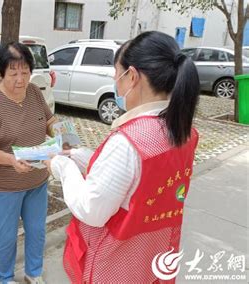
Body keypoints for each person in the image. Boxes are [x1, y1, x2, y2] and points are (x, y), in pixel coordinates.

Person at [44, 31, 200, 283]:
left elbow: (91, 209)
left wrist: (61, 165)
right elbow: (136, 180)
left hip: (117, 265)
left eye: (116, 75)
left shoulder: (128, 141)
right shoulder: (184, 131)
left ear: (133, 76)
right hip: (154, 257)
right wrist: (78, 155)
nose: (115, 82)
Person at [0, 42, 57, 284]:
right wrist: (11, 160)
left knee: (37, 231)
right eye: (13, 73)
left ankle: (33, 272)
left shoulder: (33, 92)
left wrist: (67, 137)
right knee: (7, 237)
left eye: (25, 72)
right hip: (6, 186)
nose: (20, 80)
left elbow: (50, 121)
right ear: (0, 72)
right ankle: (7, 278)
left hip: (37, 180)